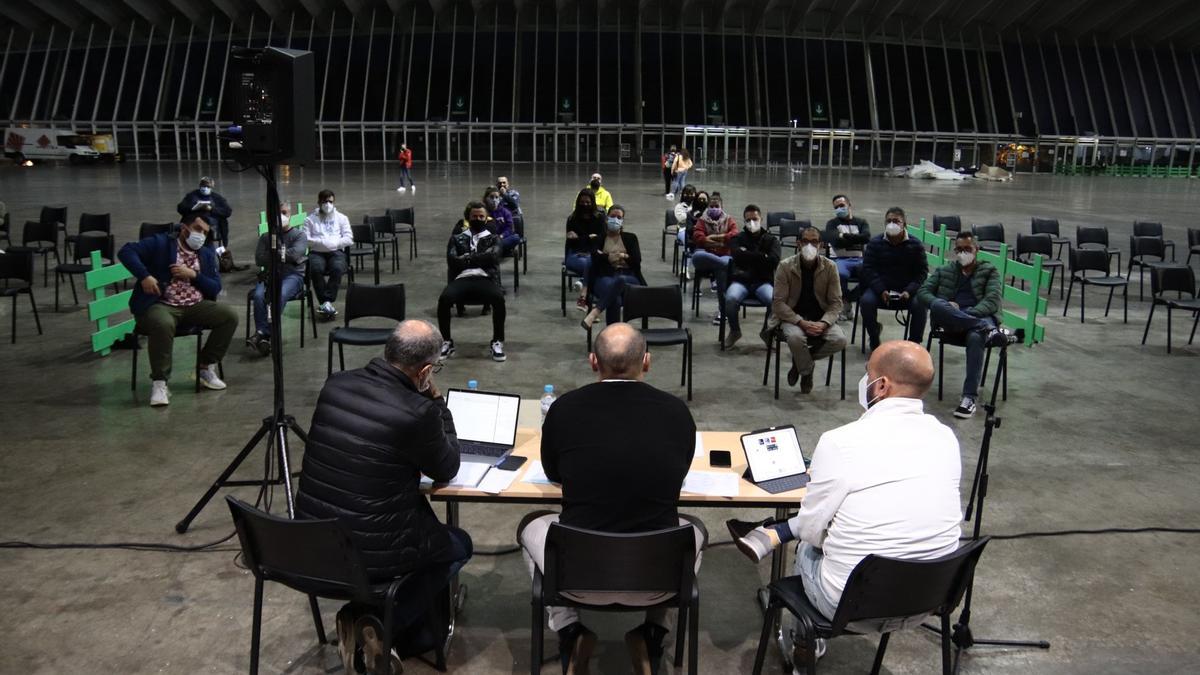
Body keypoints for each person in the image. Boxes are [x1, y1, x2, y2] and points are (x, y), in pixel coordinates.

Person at [726, 340, 962, 663]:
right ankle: (774, 531)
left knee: (809, 544)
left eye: (867, 373)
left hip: (851, 604)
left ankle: (804, 645)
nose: (863, 381)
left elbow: (811, 529)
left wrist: (816, 530)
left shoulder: (841, 442)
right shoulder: (946, 438)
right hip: (929, 596)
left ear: (881, 386)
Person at [518, 323, 705, 675]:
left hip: (577, 579)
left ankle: (570, 629)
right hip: (656, 582)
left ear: (592, 361)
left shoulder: (564, 409)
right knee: (694, 529)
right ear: (647, 362)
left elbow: (554, 473)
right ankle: (652, 633)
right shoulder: (677, 413)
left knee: (531, 523)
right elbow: (676, 475)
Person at [295, 320, 471, 675]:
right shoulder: (418, 412)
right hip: (372, 554)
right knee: (458, 545)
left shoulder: (336, 384)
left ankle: (373, 622)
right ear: (424, 371)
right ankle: (371, 620)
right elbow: (447, 468)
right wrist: (437, 402)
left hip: (311, 542)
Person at [117, 211, 238, 407]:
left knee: (229, 316)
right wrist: (145, 276)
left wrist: (193, 275)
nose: (201, 235)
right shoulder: (161, 243)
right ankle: (160, 382)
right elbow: (126, 251)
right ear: (184, 228)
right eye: (198, 229)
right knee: (162, 323)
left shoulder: (206, 254)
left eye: (205, 232)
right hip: (161, 304)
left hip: (195, 305)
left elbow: (215, 287)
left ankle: (204, 367)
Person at [917, 231, 1013, 419]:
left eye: (967, 249)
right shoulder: (944, 271)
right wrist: (947, 307)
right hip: (954, 322)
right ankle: (990, 331)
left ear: (976, 249)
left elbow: (992, 301)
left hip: (978, 316)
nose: (963, 253)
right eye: (959, 249)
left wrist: (965, 314)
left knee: (976, 336)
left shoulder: (989, 271)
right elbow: (923, 292)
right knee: (937, 304)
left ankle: (969, 398)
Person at [764, 226, 848, 393]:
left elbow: (836, 303)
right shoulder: (785, 266)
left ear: (821, 245)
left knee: (840, 340)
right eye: (805, 241)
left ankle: (800, 363)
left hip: (820, 318)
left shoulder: (830, 267)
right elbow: (778, 303)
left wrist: (824, 323)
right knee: (795, 338)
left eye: (814, 242)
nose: (810, 245)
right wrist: (800, 322)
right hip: (792, 317)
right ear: (798, 243)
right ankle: (807, 370)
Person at [438, 201, 507, 362]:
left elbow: (494, 257)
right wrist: (480, 258)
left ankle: (497, 341)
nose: (478, 219)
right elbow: (452, 261)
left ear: (486, 218)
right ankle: (446, 341)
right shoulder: (456, 238)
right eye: (474, 216)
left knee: (498, 298)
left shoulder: (494, 238)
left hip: (486, 278)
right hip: (461, 278)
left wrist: (467, 258)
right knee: (444, 299)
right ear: (468, 218)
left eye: (481, 216)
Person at [859, 206, 928, 351]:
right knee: (866, 302)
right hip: (881, 290)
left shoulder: (915, 245)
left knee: (920, 304)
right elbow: (869, 269)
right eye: (889, 221)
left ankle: (914, 344)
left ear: (905, 225)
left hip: (906, 291)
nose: (892, 224)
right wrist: (881, 290)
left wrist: (909, 291)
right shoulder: (875, 243)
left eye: (896, 221)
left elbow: (922, 273)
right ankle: (874, 336)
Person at [246, 205, 308, 356]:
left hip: (292, 275)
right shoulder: (266, 237)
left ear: (290, 214)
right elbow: (259, 259)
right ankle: (265, 335)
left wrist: (274, 254)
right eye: (277, 213)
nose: (281, 216)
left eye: (284, 213)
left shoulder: (299, 235)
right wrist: (282, 255)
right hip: (269, 275)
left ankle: (263, 334)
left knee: (278, 295)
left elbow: (295, 255)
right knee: (259, 295)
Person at [724, 205, 780, 348]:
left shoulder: (771, 240)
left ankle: (766, 332)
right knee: (730, 299)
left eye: (755, 219)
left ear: (761, 219)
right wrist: (762, 256)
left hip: (763, 282)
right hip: (741, 281)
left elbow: (773, 261)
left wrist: (747, 254)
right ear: (744, 221)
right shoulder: (738, 238)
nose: (752, 222)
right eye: (748, 220)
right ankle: (735, 331)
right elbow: (737, 255)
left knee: (775, 301)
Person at [581, 205, 646, 330]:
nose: (615, 219)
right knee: (614, 300)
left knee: (621, 279)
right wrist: (620, 257)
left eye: (619, 217)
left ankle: (595, 312)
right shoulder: (599, 239)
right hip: (605, 277)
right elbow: (596, 259)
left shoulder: (631, 238)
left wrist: (614, 256)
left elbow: (636, 262)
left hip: (629, 278)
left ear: (622, 221)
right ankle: (613, 338)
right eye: (612, 216)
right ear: (606, 219)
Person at [304, 189, 354, 320]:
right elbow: (306, 240)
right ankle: (325, 302)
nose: (327, 204)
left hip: (336, 251)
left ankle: (327, 301)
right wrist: (322, 242)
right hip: (317, 252)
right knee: (315, 269)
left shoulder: (342, 218)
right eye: (324, 201)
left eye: (330, 201)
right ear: (319, 202)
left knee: (337, 268)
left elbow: (349, 238)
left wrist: (335, 243)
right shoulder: (310, 219)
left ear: (334, 202)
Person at [691, 193, 739, 325]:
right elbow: (698, 236)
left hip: (724, 256)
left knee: (721, 271)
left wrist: (711, 239)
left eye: (716, 206)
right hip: (707, 257)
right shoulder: (702, 220)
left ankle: (723, 312)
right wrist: (721, 241)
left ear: (722, 207)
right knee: (697, 256)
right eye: (711, 206)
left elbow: (734, 235)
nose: (714, 208)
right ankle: (723, 266)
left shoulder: (729, 220)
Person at [824, 194, 871, 318]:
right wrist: (856, 239)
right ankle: (844, 304)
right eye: (836, 207)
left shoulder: (861, 222)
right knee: (840, 274)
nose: (839, 209)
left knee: (871, 275)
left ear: (849, 205)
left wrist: (844, 236)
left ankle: (848, 299)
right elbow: (835, 241)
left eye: (842, 205)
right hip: (840, 260)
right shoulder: (832, 224)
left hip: (860, 260)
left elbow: (866, 237)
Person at [564, 188, 606, 312]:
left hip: (593, 254)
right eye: (582, 202)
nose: (585, 205)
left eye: (588, 202)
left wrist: (581, 238)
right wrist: (588, 237)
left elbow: (601, 239)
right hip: (575, 255)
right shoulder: (572, 219)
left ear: (592, 202)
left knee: (591, 263)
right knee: (592, 266)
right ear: (578, 202)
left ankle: (584, 296)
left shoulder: (599, 218)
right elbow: (572, 241)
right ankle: (593, 304)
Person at [176, 176, 232, 249]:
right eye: (203, 186)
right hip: (192, 222)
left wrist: (212, 209)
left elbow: (227, 211)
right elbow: (180, 208)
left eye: (207, 186)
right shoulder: (192, 195)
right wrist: (192, 208)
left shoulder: (217, 198)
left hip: (209, 225)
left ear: (211, 187)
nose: (205, 188)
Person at [483, 186, 520, 254]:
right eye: (491, 197)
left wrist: (501, 236)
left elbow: (509, 228)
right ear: (486, 198)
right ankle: (496, 251)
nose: (494, 200)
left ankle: (494, 250)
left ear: (500, 199)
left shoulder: (505, 212)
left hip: (501, 238)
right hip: (486, 239)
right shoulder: (481, 212)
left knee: (515, 238)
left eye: (496, 197)